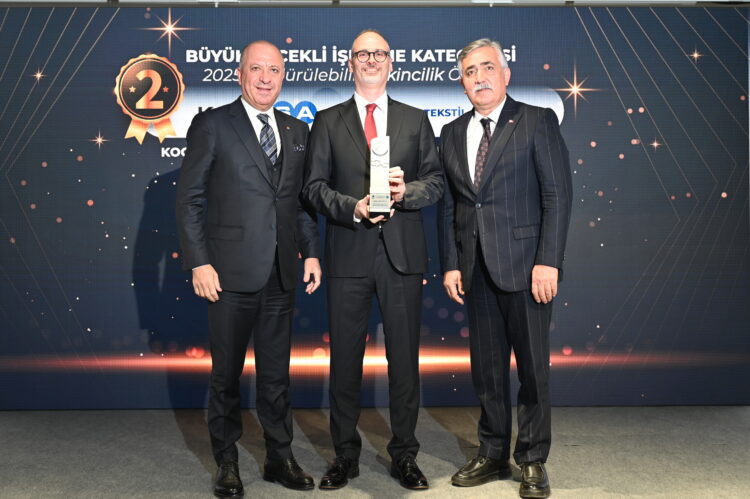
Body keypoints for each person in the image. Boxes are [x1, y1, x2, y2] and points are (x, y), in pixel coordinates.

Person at [176, 40, 321, 498]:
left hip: (280, 275)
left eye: (274, 70)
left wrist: (311, 252)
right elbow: (189, 200)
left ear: (283, 77)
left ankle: (280, 457)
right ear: (239, 75)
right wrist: (199, 261)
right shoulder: (213, 124)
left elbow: (298, 203)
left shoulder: (297, 130)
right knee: (226, 376)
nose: (265, 78)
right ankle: (227, 461)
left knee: (277, 377)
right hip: (228, 276)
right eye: (256, 69)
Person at [302, 29, 443, 491]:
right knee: (345, 361)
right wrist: (354, 207)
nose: (370, 60)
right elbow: (313, 188)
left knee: (404, 362)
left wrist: (406, 193)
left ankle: (405, 455)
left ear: (391, 62)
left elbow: (436, 182)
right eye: (362, 54)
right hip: (348, 253)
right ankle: (345, 455)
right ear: (350, 63)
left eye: (379, 53)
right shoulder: (327, 121)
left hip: (402, 256)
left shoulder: (415, 119)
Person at [438, 38, 572, 499]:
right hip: (475, 271)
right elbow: (451, 206)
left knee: (533, 370)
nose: (479, 78)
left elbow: (557, 196)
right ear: (462, 83)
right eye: (469, 72)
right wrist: (451, 264)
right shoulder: (451, 132)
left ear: (505, 73)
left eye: (487, 67)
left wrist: (548, 261)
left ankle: (532, 459)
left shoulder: (536, 120)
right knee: (487, 372)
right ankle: (492, 452)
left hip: (527, 268)